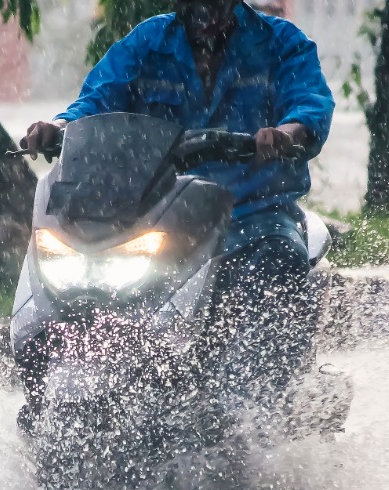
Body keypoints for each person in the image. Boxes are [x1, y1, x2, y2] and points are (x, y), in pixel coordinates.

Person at [20, 0, 334, 405]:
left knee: (277, 264)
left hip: (253, 216)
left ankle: (255, 411)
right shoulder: (147, 43)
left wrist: (285, 134)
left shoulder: (280, 43)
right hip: (169, 212)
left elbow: (311, 107)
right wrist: (59, 127)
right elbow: (95, 102)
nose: (207, 12)